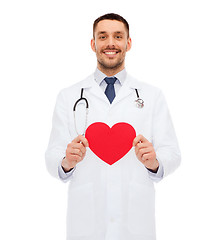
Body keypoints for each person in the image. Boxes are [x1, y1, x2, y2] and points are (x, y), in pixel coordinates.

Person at [45, 13, 181, 240]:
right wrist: (67, 161)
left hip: (135, 222)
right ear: (93, 43)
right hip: (86, 223)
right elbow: (52, 155)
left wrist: (155, 162)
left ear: (128, 43)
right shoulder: (68, 97)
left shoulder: (152, 96)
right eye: (103, 36)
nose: (110, 43)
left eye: (118, 36)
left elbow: (173, 153)